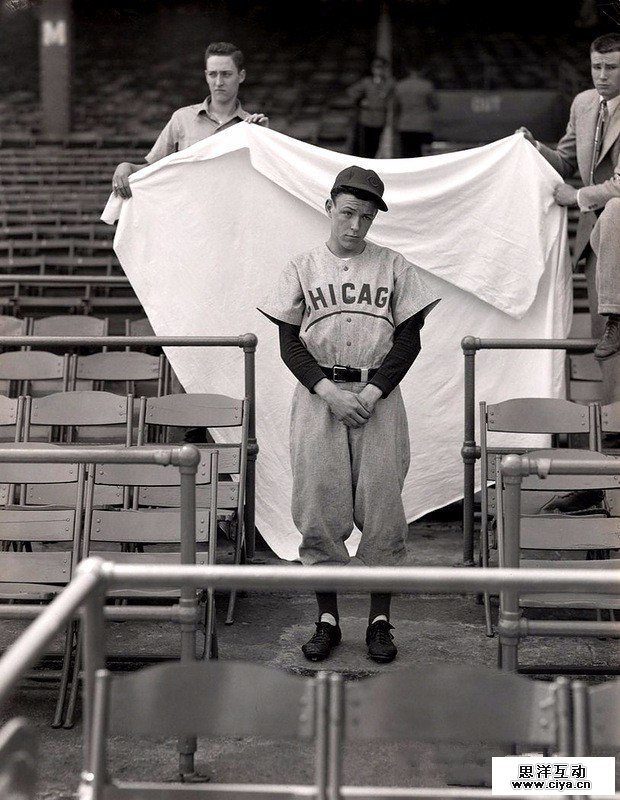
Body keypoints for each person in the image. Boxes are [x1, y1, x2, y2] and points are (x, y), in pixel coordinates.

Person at [257, 165, 440, 663]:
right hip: (319, 396)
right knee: (318, 507)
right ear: (329, 208)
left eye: (366, 217)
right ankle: (328, 620)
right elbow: (289, 344)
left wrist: (375, 391)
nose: (356, 225)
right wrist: (328, 392)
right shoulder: (302, 266)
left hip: (379, 396)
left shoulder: (393, 265)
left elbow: (408, 340)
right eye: (348, 213)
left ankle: (379, 622)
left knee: (383, 509)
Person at [517, 33, 620, 359]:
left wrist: (576, 197)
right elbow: (565, 162)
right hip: (594, 236)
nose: (602, 76)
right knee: (605, 343)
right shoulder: (584, 104)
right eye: (596, 67)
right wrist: (535, 147)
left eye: (612, 67)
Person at [111, 41, 268, 199]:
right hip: (189, 211)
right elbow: (153, 170)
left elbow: (266, 182)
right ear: (206, 76)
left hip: (232, 210)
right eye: (213, 74)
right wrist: (127, 167)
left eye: (226, 74)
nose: (219, 82)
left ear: (241, 76)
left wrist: (264, 139)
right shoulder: (182, 119)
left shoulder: (252, 127)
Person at [347, 56, 395, 158]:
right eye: (375, 66)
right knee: (365, 147)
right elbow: (351, 91)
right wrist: (360, 101)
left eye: (380, 67)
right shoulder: (366, 81)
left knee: (376, 146)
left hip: (380, 118)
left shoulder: (389, 83)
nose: (377, 69)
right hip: (366, 119)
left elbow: (393, 98)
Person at [394, 66, 437, 158]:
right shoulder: (427, 86)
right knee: (425, 156)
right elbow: (435, 105)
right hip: (423, 126)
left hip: (406, 125)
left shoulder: (400, 86)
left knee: (407, 155)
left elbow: (395, 107)